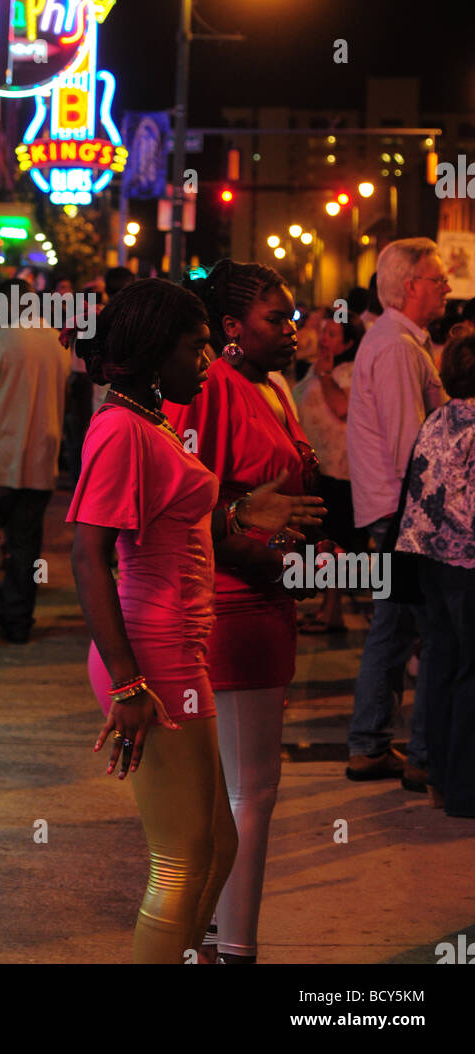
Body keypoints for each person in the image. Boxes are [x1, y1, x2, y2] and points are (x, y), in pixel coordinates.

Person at [69, 279, 325, 964]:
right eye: (194, 345)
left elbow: (172, 521)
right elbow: (88, 555)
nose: (208, 358)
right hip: (150, 656)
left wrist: (241, 514)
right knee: (179, 860)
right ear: (156, 353)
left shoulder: (145, 420)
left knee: (219, 844)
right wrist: (126, 685)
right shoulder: (119, 428)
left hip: (179, 648)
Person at [164, 260, 324, 965]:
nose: (291, 330)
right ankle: (230, 948)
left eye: (292, 317)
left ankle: (213, 940)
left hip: (267, 599)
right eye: (275, 318)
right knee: (246, 792)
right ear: (229, 328)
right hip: (230, 603)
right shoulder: (212, 390)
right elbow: (186, 502)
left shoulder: (272, 386)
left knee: (245, 788)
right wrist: (258, 548)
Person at [345, 239, 450, 788]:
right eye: (437, 278)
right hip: (403, 514)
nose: (447, 287)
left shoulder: (398, 342)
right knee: (427, 631)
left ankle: (372, 743)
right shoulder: (396, 348)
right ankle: (420, 753)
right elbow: (413, 447)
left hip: (394, 512)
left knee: (395, 628)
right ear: (411, 286)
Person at [0, 279, 71, 643]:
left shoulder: (2, 337)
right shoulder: (55, 341)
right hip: (41, 458)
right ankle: (18, 619)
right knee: (25, 541)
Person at [397, 333, 475, 817]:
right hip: (467, 562)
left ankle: (441, 781)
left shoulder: (440, 417)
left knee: (442, 668)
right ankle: (467, 790)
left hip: (428, 560)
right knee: (470, 674)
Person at [292, 313, 365, 633]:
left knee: (337, 541)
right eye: (324, 332)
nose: (324, 339)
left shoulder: (350, 372)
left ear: (349, 343)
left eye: (333, 335)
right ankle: (326, 607)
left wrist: (324, 376)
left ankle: (332, 610)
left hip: (341, 470)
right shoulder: (318, 368)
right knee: (322, 540)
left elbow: (342, 408)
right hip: (319, 469)